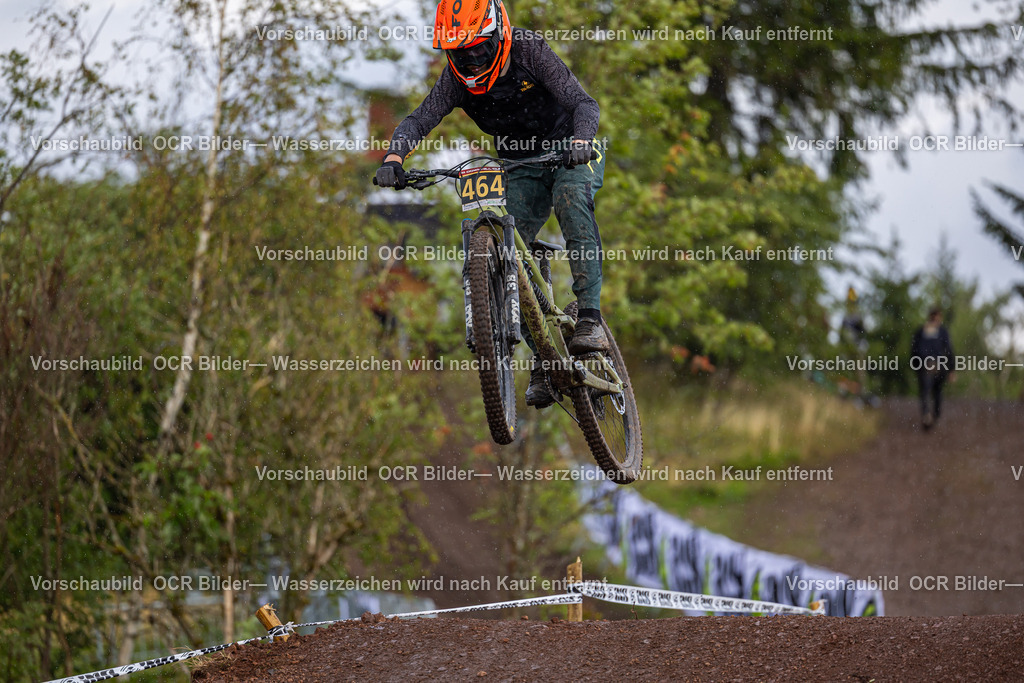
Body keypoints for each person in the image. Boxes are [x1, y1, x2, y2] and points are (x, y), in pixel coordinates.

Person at [375, 0, 606, 409]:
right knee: (506, 248)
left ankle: (590, 319)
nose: (470, 60)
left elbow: (584, 104)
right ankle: (546, 359)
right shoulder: (456, 79)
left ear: (499, 35)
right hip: (520, 164)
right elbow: (418, 120)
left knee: (570, 198)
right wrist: (394, 158)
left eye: (478, 49)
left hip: (571, 149)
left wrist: (581, 141)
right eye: (460, 53)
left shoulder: (529, 50)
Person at [910, 307, 954, 430]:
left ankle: (932, 415)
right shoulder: (924, 331)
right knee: (929, 392)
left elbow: (949, 350)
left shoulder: (937, 331)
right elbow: (914, 350)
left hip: (933, 366)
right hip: (926, 365)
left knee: (933, 392)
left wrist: (951, 369)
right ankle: (928, 416)